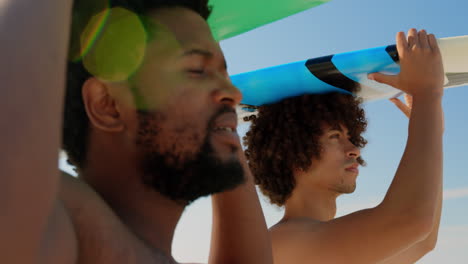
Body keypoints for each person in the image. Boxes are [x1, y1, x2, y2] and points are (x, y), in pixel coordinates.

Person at [1, 0, 273, 263]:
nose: (234, 94)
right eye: (197, 70)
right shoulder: (71, 223)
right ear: (107, 104)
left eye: (224, 75)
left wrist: (219, 123)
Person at [244, 29, 444, 264]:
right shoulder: (281, 244)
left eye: (351, 137)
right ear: (293, 154)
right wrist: (426, 95)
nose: (355, 150)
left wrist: (432, 125)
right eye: (334, 136)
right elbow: (411, 222)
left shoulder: (329, 245)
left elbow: (423, 241)